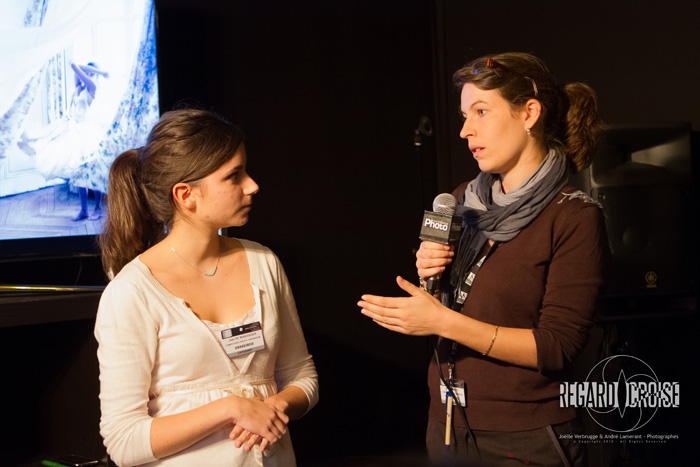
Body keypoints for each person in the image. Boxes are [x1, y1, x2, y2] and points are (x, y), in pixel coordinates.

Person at [358, 52, 609, 466]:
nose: (464, 130)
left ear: (529, 113)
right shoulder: (460, 200)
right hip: (447, 425)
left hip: (527, 438)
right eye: (463, 115)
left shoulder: (574, 217)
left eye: (480, 111)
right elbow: (448, 305)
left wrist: (442, 321)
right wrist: (429, 281)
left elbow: (556, 347)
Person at [95, 109, 319, 467]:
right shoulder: (131, 293)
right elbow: (123, 442)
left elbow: (301, 376)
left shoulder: (264, 263)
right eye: (234, 176)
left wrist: (276, 405)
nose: (253, 185)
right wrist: (230, 408)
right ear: (186, 195)